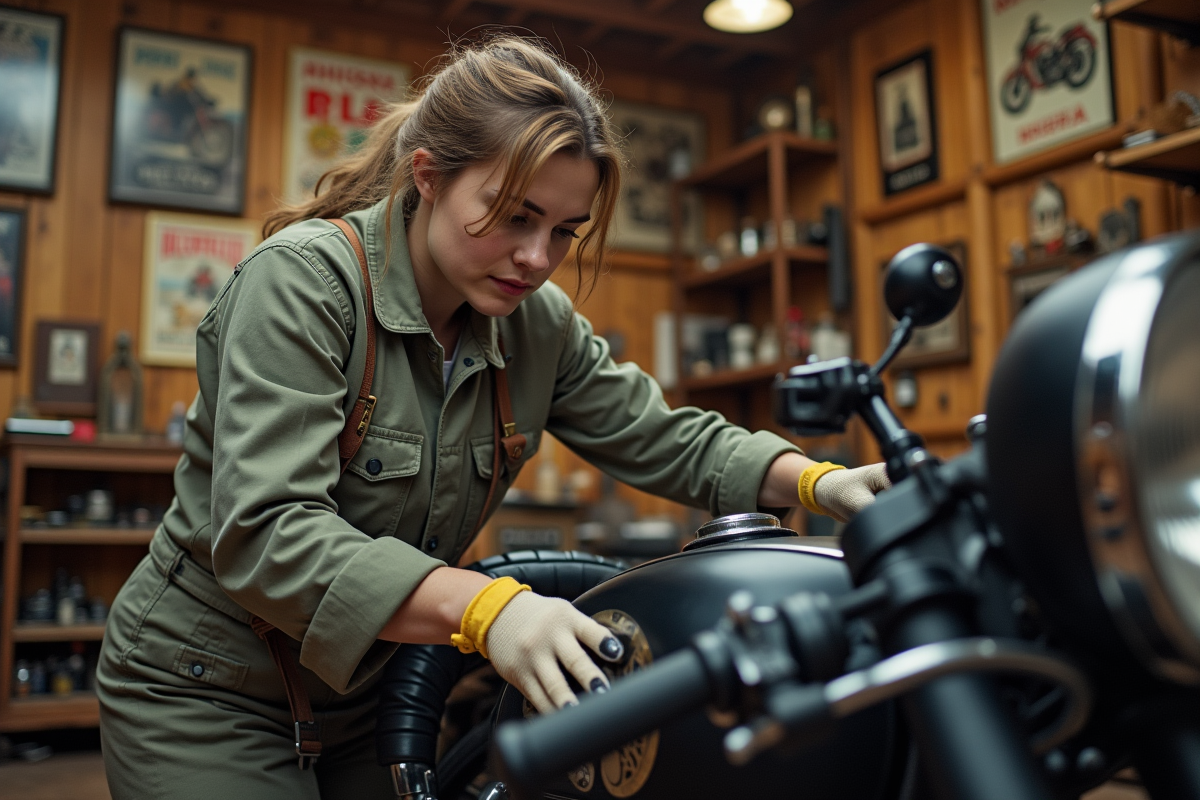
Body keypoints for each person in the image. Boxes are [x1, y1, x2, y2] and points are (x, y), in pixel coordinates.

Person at [97, 36, 890, 800]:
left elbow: (661, 434)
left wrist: (820, 483)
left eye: (564, 231)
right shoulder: (304, 285)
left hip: (364, 697)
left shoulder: (535, 325)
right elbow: (268, 533)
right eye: (515, 216)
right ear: (429, 176)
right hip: (206, 687)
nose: (538, 259)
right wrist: (486, 607)